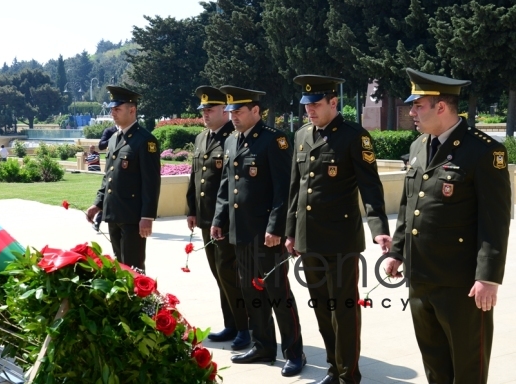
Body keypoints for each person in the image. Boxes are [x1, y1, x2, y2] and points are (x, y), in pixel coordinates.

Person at [384, 68, 511, 384]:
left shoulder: (483, 151)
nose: (411, 112)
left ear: (440, 107)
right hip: (420, 278)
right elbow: (407, 206)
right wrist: (397, 252)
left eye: (418, 105)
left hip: (461, 284)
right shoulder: (418, 148)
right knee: (435, 365)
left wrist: (488, 278)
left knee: (468, 368)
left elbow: (495, 222)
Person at [286, 75, 391, 384]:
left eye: (316, 105)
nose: (310, 111)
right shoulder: (302, 136)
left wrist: (379, 228)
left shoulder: (354, 137)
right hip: (308, 239)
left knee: (342, 311)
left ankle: (348, 375)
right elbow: (295, 188)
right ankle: (334, 368)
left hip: (341, 240)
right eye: (306, 106)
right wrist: (291, 232)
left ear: (334, 102)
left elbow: (371, 188)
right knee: (321, 309)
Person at [210, 86, 306, 378]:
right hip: (241, 233)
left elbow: (284, 190)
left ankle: (294, 352)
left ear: (256, 110)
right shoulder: (230, 142)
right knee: (251, 291)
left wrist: (276, 227)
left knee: (278, 293)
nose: (233, 117)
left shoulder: (273, 140)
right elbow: (226, 187)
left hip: (267, 235)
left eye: (238, 111)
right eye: (231, 112)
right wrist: (219, 219)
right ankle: (263, 345)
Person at [186, 86, 250, 350]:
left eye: (210, 109)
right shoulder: (203, 138)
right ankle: (232, 323)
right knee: (219, 273)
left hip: (224, 221)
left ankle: (245, 327)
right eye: (203, 110)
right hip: (204, 218)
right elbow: (195, 176)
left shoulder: (232, 139)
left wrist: (221, 219)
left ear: (225, 111)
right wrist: (191, 209)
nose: (205, 114)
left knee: (230, 274)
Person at [85, 86, 161, 272]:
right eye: (112, 109)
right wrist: (98, 203)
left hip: (133, 217)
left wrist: (147, 216)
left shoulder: (145, 141)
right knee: (119, 268)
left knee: (134, 269)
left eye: (117, 109)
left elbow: (151, 183)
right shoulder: (113, 139)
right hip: (114, 214)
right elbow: (108, 177)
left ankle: (141, 301)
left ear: (132, 110)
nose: (113, 113)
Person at [92, 125, 118, 231]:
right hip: (111, 169)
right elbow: (101, 145)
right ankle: (98, 221)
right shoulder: (110, 131)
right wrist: (114, 137)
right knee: (107, 194)